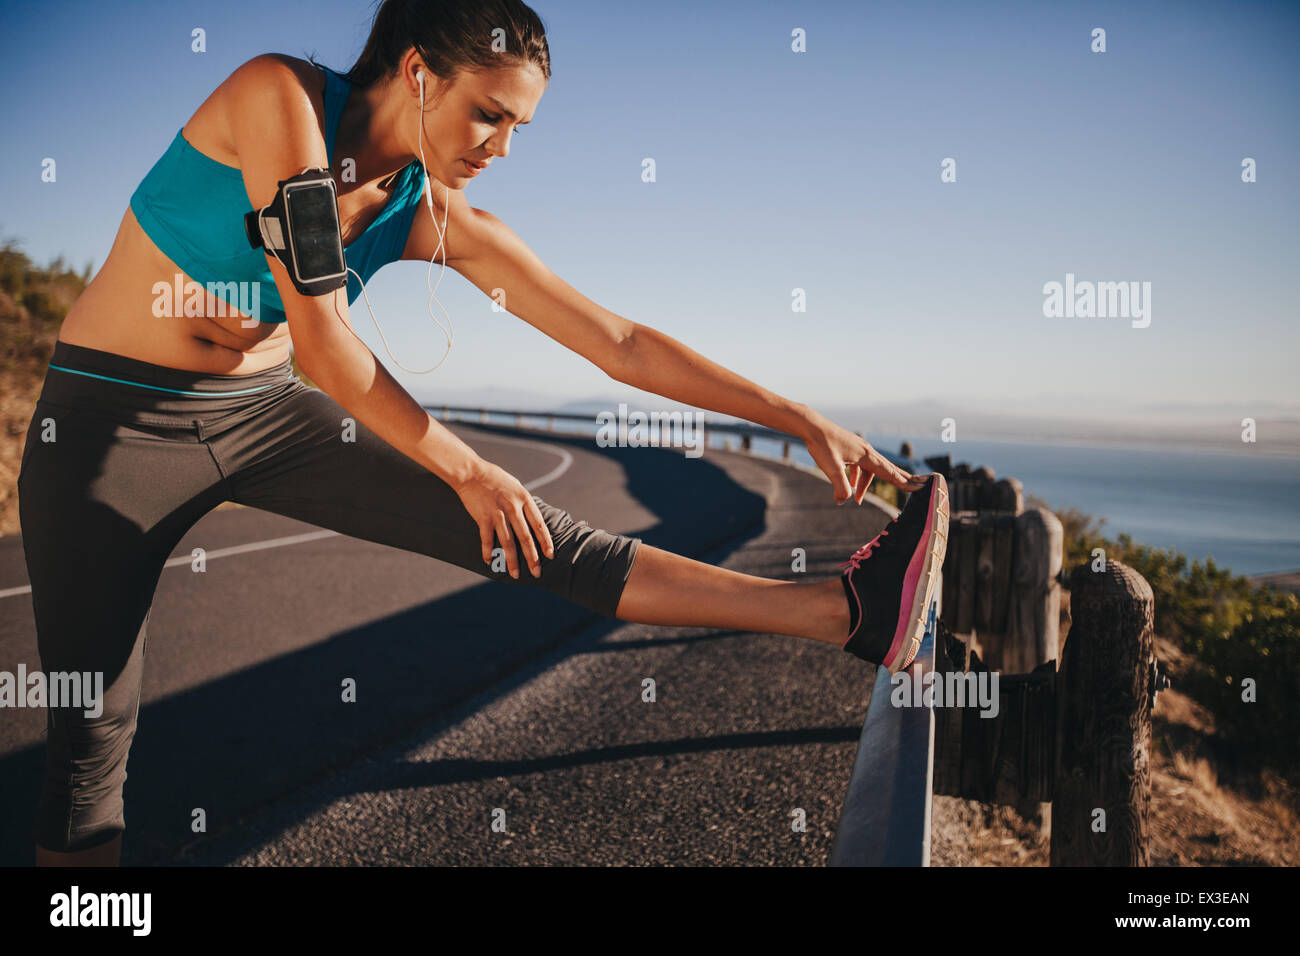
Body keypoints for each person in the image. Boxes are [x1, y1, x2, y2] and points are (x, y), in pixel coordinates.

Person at [16, 0, 948, 867]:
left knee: (535, 536)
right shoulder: (278, 96)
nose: (503, 146)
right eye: (489, 116)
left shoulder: (430, 212)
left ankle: (850, 615)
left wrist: (798, 417)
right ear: (419, 72)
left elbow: (618, 343)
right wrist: (471, 466)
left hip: (260, 413)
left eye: (520, 128)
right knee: (92, 738)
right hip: (106, 426)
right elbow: (326, 350)